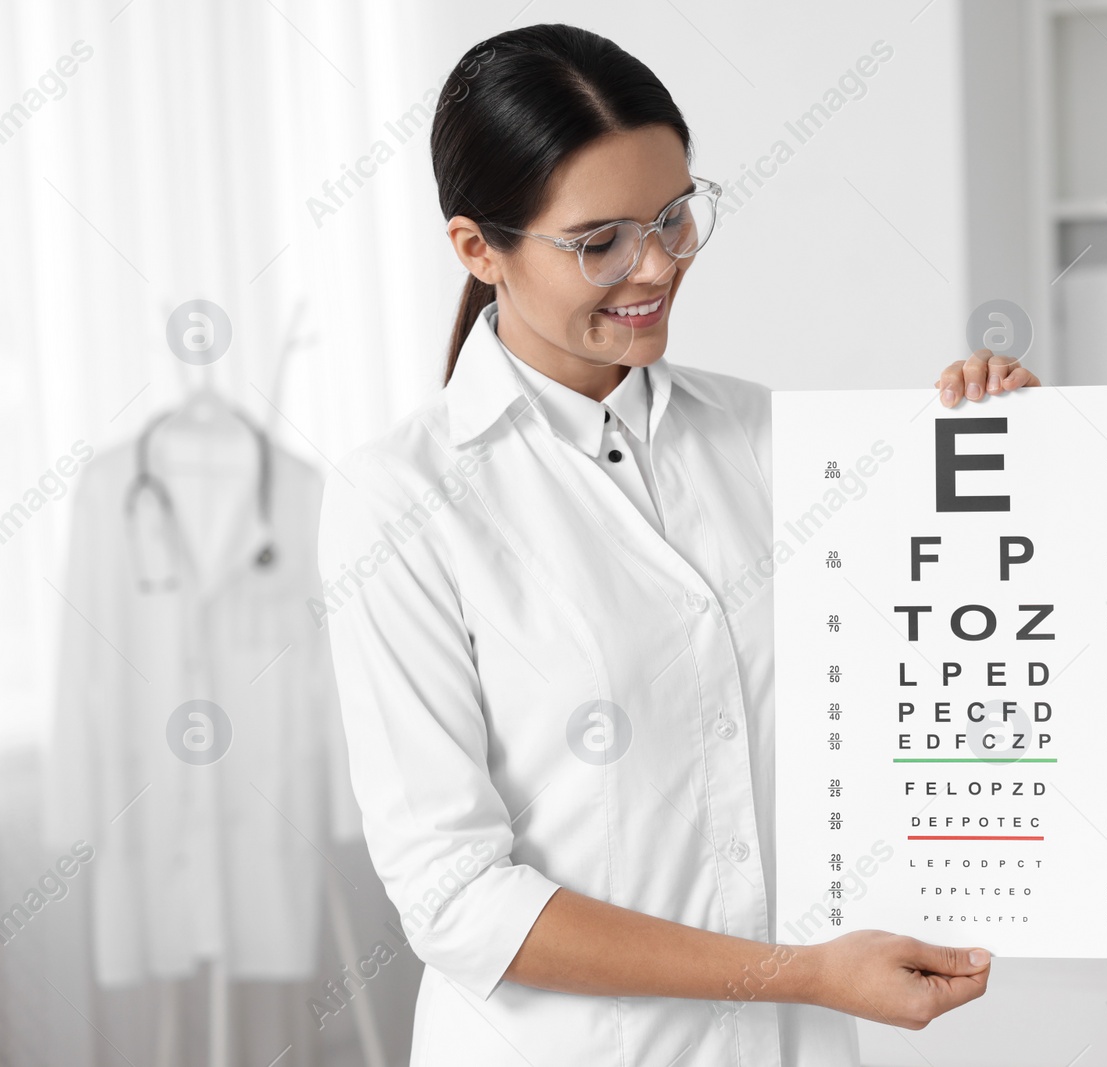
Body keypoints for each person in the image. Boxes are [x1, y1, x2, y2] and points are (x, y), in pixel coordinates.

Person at [318, 22, 1041, 1066]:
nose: (655, 265)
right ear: (479, 248)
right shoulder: (402, 501)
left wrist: (1013, 461)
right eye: (598, 240)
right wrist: (794, 971)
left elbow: (931, 670)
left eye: (674, 215)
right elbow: (456, 897)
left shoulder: (771, 438)